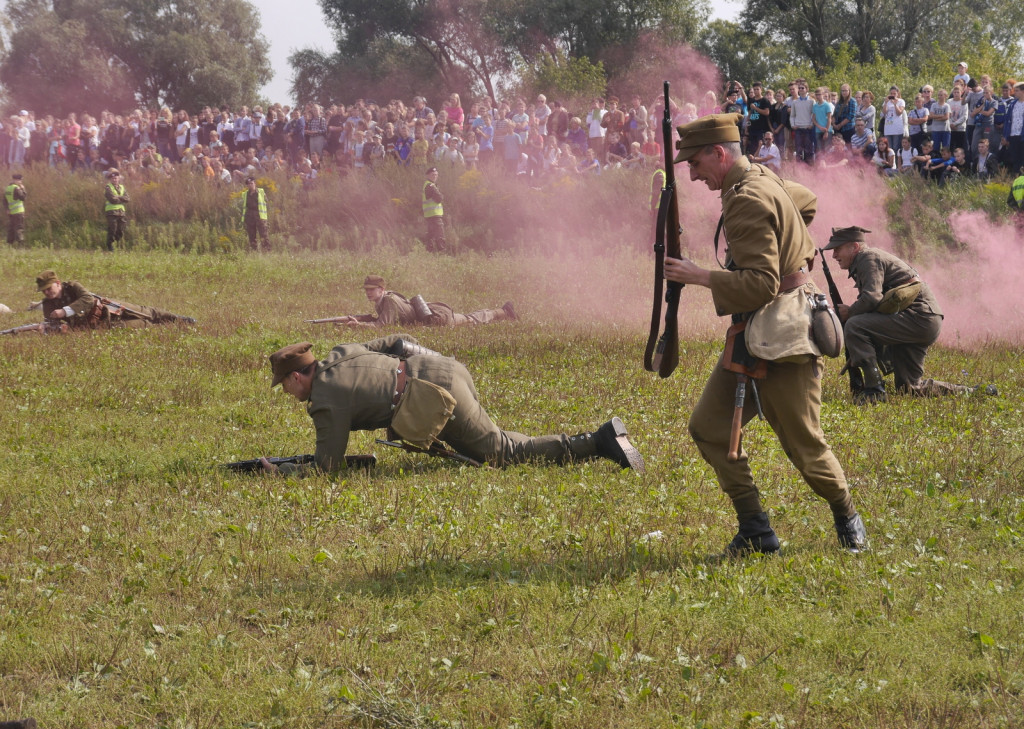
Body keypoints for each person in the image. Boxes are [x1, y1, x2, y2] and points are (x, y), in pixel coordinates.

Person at [663, 113, 866, 555]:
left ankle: (847, 514)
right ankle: (756, 530)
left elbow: (761, 284)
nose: (693, 175)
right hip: (753, 328)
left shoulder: (746, 198)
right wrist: (791, 240)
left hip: (785, 332)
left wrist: (700, 276)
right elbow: (805, 200)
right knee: (710, 427)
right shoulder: (758, 176)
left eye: (695, 163)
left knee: (803, 445)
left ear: (719, 153)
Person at [261, 337, 644, 474]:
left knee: (501, 454)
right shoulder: (341, 352)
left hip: (435, 396)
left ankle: (598, 440)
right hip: (443, 369)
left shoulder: (324, 399)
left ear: (296, 377)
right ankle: (590, 441)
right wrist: (437, 366)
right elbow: (397, 341)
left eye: (285, 386)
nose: (288, 394)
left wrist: (284, 472)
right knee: (494, 441)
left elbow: (327, 466)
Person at [822, 226, 993, 402]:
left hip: (917, 317)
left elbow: (871, 298)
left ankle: (874, 390)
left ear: (855, 247)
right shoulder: (867, 259)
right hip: (922, 320)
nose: (834, 255)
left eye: (837, 249)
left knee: (855, 325)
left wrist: (850, 312)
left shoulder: (867, 257)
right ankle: (975, 392)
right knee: (909, 388)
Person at [34, 269, 195, 330]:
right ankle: (171, 328)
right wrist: (48, 328)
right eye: (44, 290)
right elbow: (53, 325)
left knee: (147, 312)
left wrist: (64, 311)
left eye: (49, 288)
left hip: (110, 307)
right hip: (102, 324)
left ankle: (179, 319)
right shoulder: (48, 304)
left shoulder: (72, 286)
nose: (47, 292)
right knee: (143, 325)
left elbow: (87, 299)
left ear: (58, 283)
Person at [333, 275, 517, 328]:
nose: (368, 293)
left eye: (371, 290)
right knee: (469, 317)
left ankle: (504, 312)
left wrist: (359, 325)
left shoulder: (388, 301)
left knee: (470, 320)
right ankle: (503, 311)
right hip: (429, 315)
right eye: (366, 290)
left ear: (381, 289)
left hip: (436, 318)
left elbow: (382, 326)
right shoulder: (383, 300)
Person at [240, 176, 270, 250]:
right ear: (247, 185)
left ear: (255, 183)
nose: (251, 185)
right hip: (250, 215)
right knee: (251, 234)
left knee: (263, 234)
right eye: (249, 184)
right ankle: (254, 250)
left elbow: (266, 202)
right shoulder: (245, 194)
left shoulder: (261, 191)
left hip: (260, 215)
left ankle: (267, 249)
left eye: (252, 183)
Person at [422, 166, 447, 252]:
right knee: (440, 235)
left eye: (436, 174)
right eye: (433, 175)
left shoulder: (427, 184)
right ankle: (442, 252)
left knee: (431, 236)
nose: (435, 176)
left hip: (429, 215)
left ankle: (430, 253)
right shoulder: (431, 185)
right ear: (428, 175)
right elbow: (439, 198)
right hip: (435, 214)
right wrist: (441, 194)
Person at [104, 169, 129, 251]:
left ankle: (116, 243)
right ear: (110, 179)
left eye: (116, 178)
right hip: (111, 211)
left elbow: (128, 199)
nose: (114, 180)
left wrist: (119, 197)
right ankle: (110, 245)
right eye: (112, 178)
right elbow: (112, 200)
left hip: (121, 212)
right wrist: (122, 199)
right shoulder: (108, 187)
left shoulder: (122, 187)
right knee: (113, 229)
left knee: (121, 230)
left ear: (119, 178)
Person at [5, 172, 26, 246]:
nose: (21, 182)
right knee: (19, 228)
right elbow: (23, 198)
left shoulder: (8, 188)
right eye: (20, 180)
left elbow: (4, 200)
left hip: (11, 212)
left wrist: (7, 209)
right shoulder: (17, 188)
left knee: (11, 229)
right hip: (19, 212)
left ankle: (9, 244)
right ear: (17, 180)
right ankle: (21, 245)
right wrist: (23, 189)